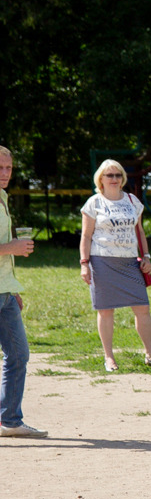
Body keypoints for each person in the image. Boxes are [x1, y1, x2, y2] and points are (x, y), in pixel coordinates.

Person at [79, 160, 151, 372]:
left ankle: (150, 354)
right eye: (110, 175)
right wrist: (84, 263)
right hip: (102, 261)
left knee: (142, 307)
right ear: (101, 179)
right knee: (106, 311)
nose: (114, 179)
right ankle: (109, 357)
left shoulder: (132, 200)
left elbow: (140, 231)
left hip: (129, 262)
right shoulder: (94, 203)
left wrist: (146, 255)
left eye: (118, 175)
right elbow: (86, 235)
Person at [0, 146, 45, 438]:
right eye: (0, 169)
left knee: (19, 354)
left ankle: (9, 421)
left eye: (8, 169)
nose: (5, 174)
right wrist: (12, 247)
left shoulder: (2, 198)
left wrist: (12, 286)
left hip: (4, 292)